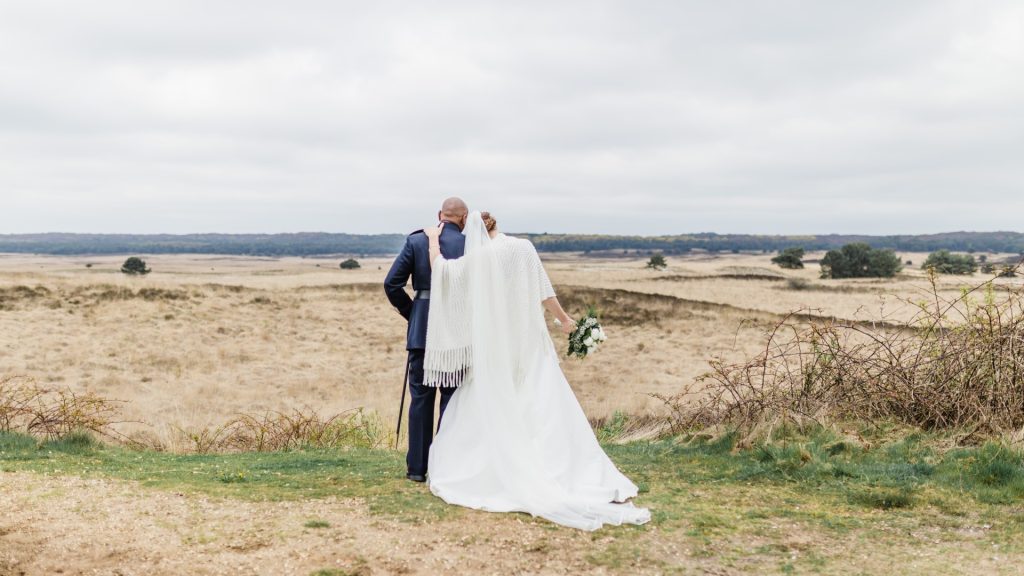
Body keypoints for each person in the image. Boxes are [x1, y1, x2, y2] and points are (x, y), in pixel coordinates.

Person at [420, 211, 651, 531]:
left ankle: (501, 471)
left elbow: (441, 271)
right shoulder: (524, 248)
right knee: (543, 403)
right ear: (496, 224)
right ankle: (562, 469)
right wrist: (566, 320)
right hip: (529, 344)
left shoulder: (477, 259)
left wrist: (433, 240)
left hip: (496, 350)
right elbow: (544, 291)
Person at [383, 197, 468, 482]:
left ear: (439, 215)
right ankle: (446, 466)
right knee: (451, 400)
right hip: (457, 334)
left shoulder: (417, 241)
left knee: (420, 399)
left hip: (422, 333)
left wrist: (414, 314)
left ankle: (416, 470)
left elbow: (391, 283)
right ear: (464, 218)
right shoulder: (471, 245)